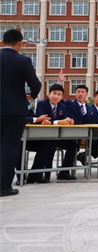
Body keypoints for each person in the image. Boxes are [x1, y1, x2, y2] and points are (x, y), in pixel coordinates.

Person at [1, 29, 42, 196]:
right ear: (20, 43)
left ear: (2, 42)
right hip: (15, 111)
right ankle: (4, 186)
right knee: (10, 147)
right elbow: (36, 84)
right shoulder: (23, 61)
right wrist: (31, 96)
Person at [30, 84, 77, 182]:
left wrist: (69, 120)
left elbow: (64, 118)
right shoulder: (42, 104)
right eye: (54, 93)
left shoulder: (62, 106)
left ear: (62, 97)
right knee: (49, 144)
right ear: (48, 94)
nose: (56, 96)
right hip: (44, 136)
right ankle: (47, 174)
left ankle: (64, 171)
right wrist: (58, 122)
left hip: (57, 136)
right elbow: (41, 119)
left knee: (73, 144)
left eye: (59, 94)